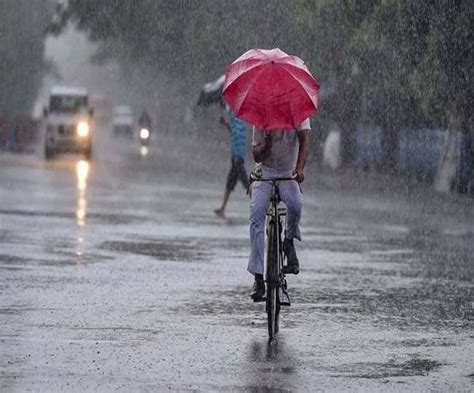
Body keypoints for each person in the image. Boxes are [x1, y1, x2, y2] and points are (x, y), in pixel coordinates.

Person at [249, 119, 311, 301]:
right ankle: (258, 277)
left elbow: (305, 139)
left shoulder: (298, 111)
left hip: (287, 173)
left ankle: (289, 241)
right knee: (256, 214)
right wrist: (266, 144)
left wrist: (299, 168)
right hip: (265, 173)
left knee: (296, 204)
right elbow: (256, 156)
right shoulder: (261, 115)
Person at [214, 105, 249, 217]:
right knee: (231, 182)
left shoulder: (238, 115)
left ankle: (260, 206)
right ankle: (223, 207)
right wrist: (225, 124)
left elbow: (237, 133)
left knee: (246, 183)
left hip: (237, 156)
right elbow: (235, 132)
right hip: (236, 155)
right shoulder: (238, 116)